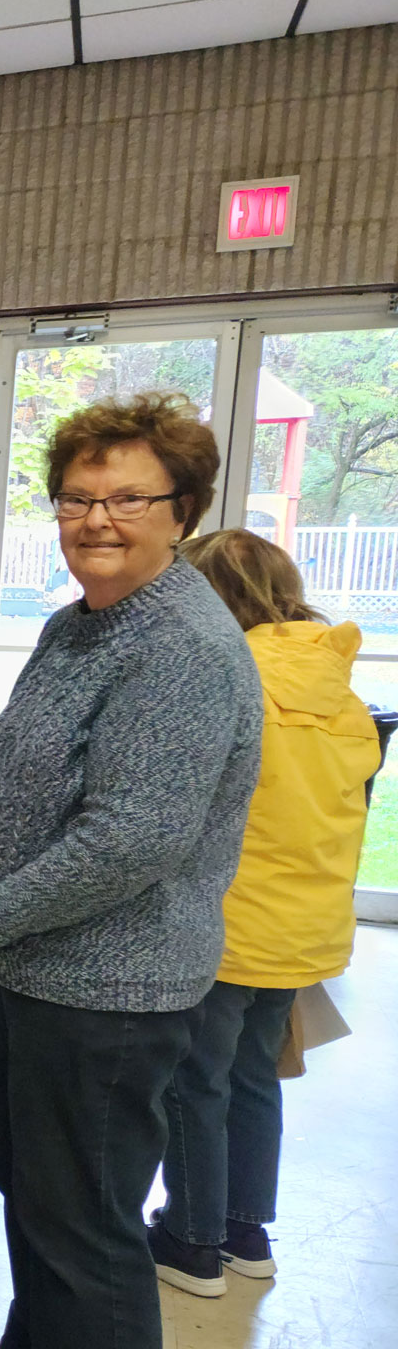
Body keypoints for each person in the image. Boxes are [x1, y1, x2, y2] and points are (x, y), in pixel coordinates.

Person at [0, 392, 262, 1349]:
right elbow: (21, 772)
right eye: (76, 498)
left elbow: (132, 840)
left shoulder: (182, 648)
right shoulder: (79, 624)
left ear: (182, 510)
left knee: (91, 1211)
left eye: (125, 499)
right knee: (32, 1178)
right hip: (35, 969)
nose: (95, 519)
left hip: (112, 982)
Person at [148, 529, 378, 1296]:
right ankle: (246, 1230)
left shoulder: (228, 674)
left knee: (193, 1080)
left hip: (226, 918)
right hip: (304, 924)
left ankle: (190, 1240)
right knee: (254, 1077)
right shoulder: (336, 688)